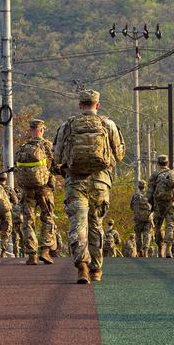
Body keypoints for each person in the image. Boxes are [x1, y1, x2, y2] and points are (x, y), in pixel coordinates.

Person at [54, 90, 125, 284]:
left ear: (80, 105)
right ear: (97, 105)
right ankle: (96, 269)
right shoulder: (107, 124)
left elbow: (57, 156)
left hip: (75, 181)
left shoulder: (67, 125)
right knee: (96, 224)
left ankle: (82, 266)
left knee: (78, 223)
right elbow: (119, 155)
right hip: (100, 182)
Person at [15, 118, 58, 265]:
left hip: (27, 190)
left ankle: (32, 255)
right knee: (47, 218)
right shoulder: (47, 145)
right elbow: (56, 165)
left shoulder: (23, 146)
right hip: (45, 188)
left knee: (28, 221)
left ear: (30, 130)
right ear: (42, 129)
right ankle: (45, 251)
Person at [146, 155, 174, 258]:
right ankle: (169, 248)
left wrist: (151, 204)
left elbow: (150, 192)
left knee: (158, 227)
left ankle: (160, 248)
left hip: (159, 204)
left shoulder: (154, 175)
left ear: (158, 163)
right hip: (171, 203)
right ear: (167, 163)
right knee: (170, 226)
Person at [130, 180, 154, 257]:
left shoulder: (135, 196)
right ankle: (145, 249)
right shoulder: (149, 195)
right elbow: (154, 205)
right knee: (147, 234)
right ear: (145, 186)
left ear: (138, 186)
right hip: (148, 217)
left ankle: (139, 251)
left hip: (138, 218)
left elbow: (131, 207)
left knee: (138, 235)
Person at [10, 187, 24, 256]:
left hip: (14, 221)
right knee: (23, 237)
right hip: (21, 221)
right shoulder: (22, 204)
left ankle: (16, 253)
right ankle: (24, 252)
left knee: (15, 239)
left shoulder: (12, 204)